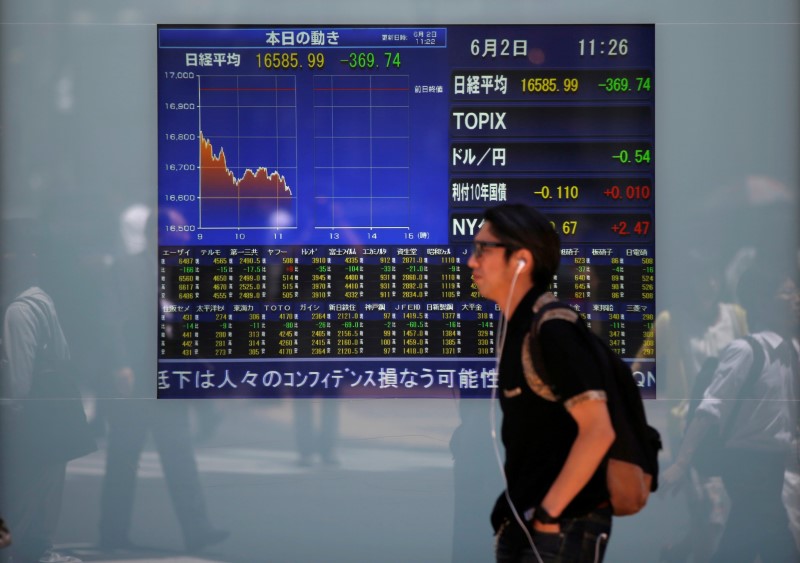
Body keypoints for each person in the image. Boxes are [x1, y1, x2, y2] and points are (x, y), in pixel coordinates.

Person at [468, 204, 615, 563]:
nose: (472, 262)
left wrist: (548, 517)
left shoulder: (553, 329)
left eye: (483, 249)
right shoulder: (518, 326)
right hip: (530, 524)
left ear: (521, 261)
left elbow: (598, 431)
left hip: (559, 532)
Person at [661, 261, 799, 562]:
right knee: (775, 535)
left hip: (774, 464)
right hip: (747, 463)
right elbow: (710, 409)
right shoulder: (746, 351)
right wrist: (682, 464)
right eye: (787, 293)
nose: (796, 300)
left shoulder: (792, 351)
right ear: (762, 302)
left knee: (744, 538)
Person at [0, 218, 95, 563]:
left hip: (31, 428)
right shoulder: (41, 300)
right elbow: (63, 356)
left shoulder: (18, 311)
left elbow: (18, 385)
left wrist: (10, 425)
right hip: (54, 425)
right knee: (41, 507)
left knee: (19, 507)